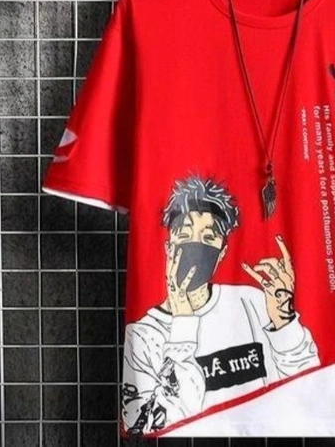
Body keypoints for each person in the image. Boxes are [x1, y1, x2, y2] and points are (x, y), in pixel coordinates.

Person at [121, 175, 321, 435]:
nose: (196, 247)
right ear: (169, 248)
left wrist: (284, 323)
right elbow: (151, 426)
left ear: (221, 253)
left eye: (208, 238)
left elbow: (309, 393)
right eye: (185, 234)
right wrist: (183, 324)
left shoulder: (253, 303)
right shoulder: (141, 336)